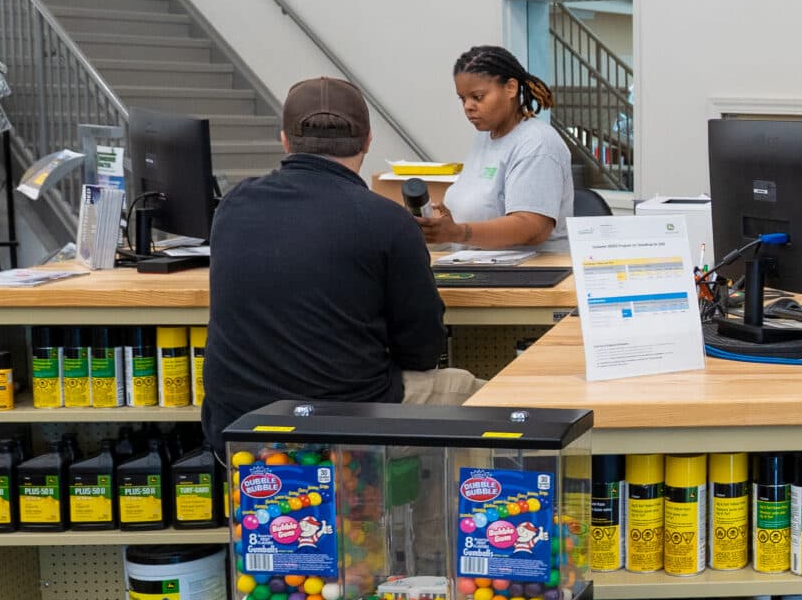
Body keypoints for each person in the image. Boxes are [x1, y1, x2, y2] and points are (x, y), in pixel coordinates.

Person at [203, 78, 481, 445]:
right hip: (348, 424)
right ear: (368, 141)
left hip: (239, 428)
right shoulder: (388, 221)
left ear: (285, 140)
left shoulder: (233, 205)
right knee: (483, 398)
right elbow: (423, 349)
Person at [423, 45, 573, 250]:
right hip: (475, 262)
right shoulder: (485, 137)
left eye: (478, 97)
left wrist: (458, 232)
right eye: (462, 98)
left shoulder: (538, 143)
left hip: (530, 268)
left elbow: (531, 227)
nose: (468, 106)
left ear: (511, 88)